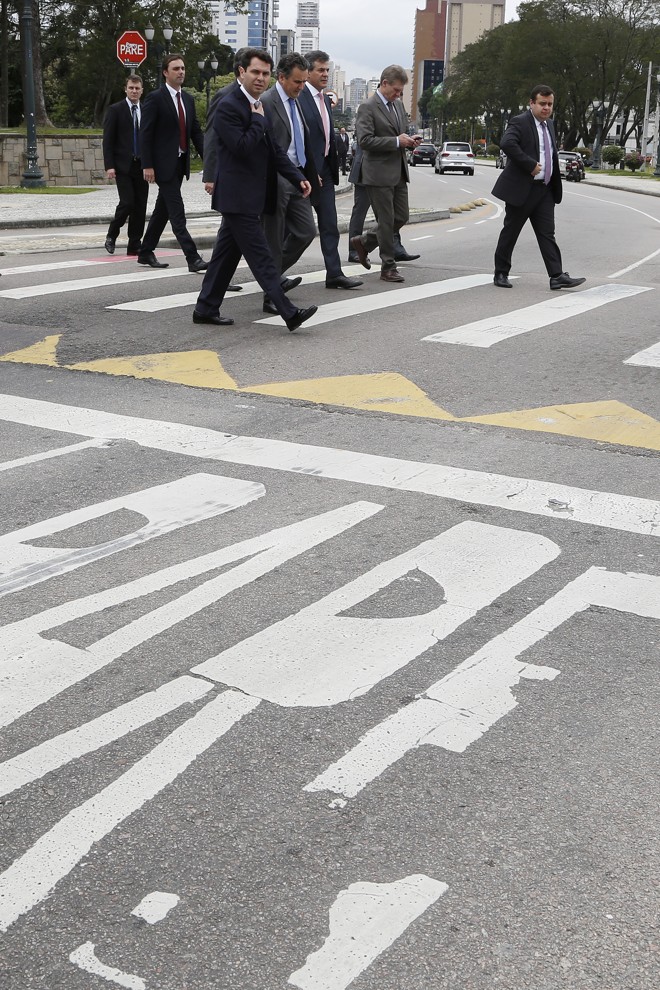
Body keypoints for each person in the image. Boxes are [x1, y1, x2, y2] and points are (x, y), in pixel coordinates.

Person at [193, 48, 318, 333]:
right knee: (262, 258)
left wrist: (297, 176)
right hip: (237, 197)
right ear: (241, 72)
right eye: (255, 72)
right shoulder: (228, 104)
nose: (261, 78)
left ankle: (205, 307)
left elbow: (274, 151)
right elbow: (239, 147)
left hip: (252, 196)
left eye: (265, 73)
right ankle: (289, 313)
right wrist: (259, 121)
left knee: (224, 257)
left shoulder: (258, 103)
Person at [491, 84, 585, 290]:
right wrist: (530, 165)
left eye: (550, 104)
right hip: (523, 189)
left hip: (545, 190)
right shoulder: (520, 122)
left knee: (547, 234)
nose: (546, 108)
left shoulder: (549, 124)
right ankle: (501, 273)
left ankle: (556, 275)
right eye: (542, 103)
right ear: (531, 103)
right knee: (511, 231)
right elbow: (507, 143)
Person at [298, 50, 362, 290]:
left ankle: (334, 273)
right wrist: (307, 169)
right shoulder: (299, 96)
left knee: (330, 224)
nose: (325, 74)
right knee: (296, 228)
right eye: (320, 70)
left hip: (324, 170)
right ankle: (274, 273)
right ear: (308, 72)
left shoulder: (325, 100)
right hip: (304, 172)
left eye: (327, 70)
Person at [261, 52, 319, 314]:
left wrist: (308, 173)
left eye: (304, 81)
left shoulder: (297, 101)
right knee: (273, 238)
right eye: (297, 81)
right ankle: (271, 293)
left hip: (297, 177)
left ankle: (271, 276)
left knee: (306, 231)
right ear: (281, 77)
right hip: (274, 177)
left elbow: (302, 140)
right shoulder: (267, 101)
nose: (301, 87)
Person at [138, 53, 207, 272]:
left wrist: (210, 160)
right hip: (162, 164)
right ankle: (192, 257)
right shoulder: (155, 98)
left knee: (163, 210)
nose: (181, 72)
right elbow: (145, 134)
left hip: (180, 163)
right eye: (176, 68)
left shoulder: (187, 99)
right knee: (177, 211)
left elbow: (195, 132)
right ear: (166, 73)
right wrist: (147, 165)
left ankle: (146, 251)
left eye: (183, 68)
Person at [350, 65, 419, 283]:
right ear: (384, 83)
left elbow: (398, 133)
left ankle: (365, 242)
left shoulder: (398, 106)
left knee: (401, 216)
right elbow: (365, 140)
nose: (399, 94)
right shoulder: (368, 107)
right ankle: (388, 267)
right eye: (396, 90)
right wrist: (397, 141)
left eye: (401, 91)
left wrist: (408, 141)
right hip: (377, 173)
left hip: (398, 171)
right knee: (387, 220)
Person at [347, 145, 420, 264]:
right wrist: (397, 140)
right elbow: (368, 140)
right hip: (367, 171)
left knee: (391, 214)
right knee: (360, 211)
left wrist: (407, 142)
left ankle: (395, 248)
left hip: (387, 173)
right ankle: (354, 250)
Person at [102, 75, 149, 256]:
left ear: (142, 90)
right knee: (127, 202)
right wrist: (109, 166)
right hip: (122, 166)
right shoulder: (115, 110)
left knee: (140, 206)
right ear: (125, 89)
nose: (134, 91)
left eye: (137, 88)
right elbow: (108, 141)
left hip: (142, 166)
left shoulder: (145, 110)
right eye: (131, 88)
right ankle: (112, 234)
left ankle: (134, 244)